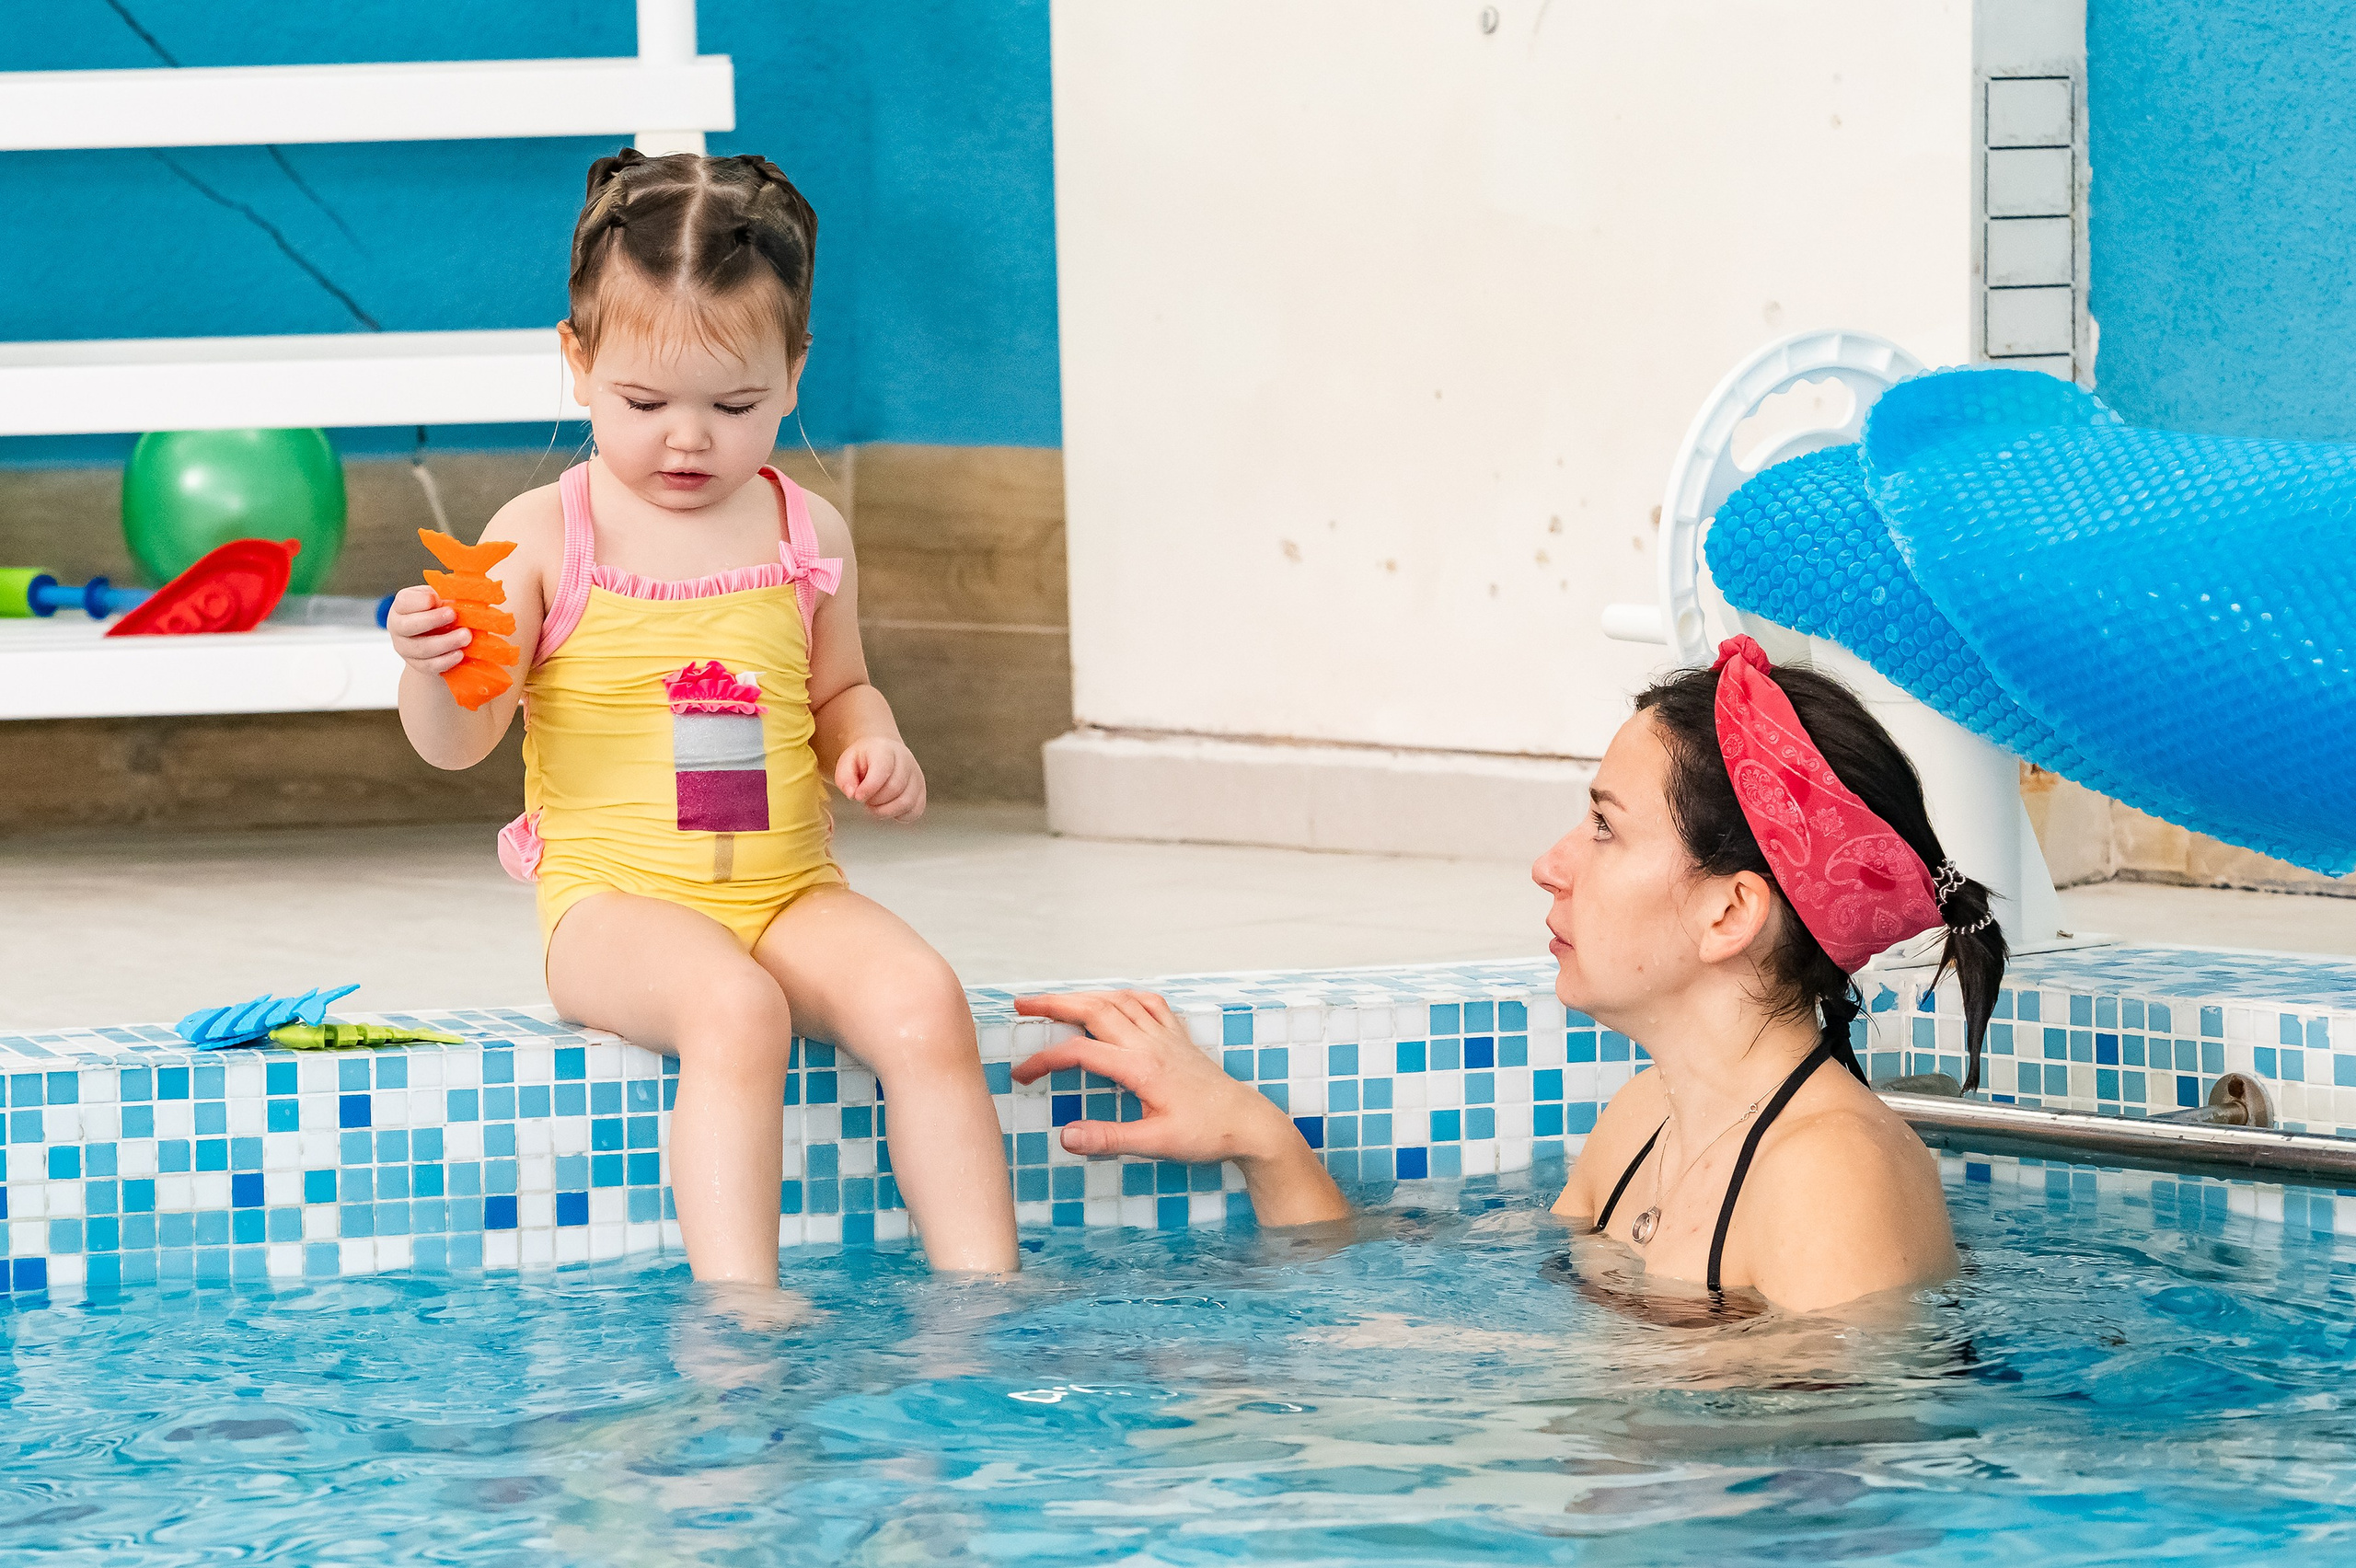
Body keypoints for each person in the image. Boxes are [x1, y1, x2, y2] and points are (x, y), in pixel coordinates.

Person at [389, 150, 1016, 1286]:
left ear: (792, 375)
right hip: (614, 909)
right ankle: (743, 1312)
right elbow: (458, 744)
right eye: (643, 404)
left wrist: (872, 743)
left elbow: (837, 689)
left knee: (924, 1000)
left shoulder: (805, 530)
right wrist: (435, 672)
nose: (688, 440)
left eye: (733, 406)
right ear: (577, 364)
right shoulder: (541, 534)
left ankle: (987, 1297)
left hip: (787, 892)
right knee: (734, 1009)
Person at [1012, 638, 2006, 1315]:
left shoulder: (1832, 1183)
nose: (1553, 863)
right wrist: (1257, 1137)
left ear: (1729, 913)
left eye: (1605, 827)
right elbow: (1410, 1329)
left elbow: (1840, 1507)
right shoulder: (1641, 1122)